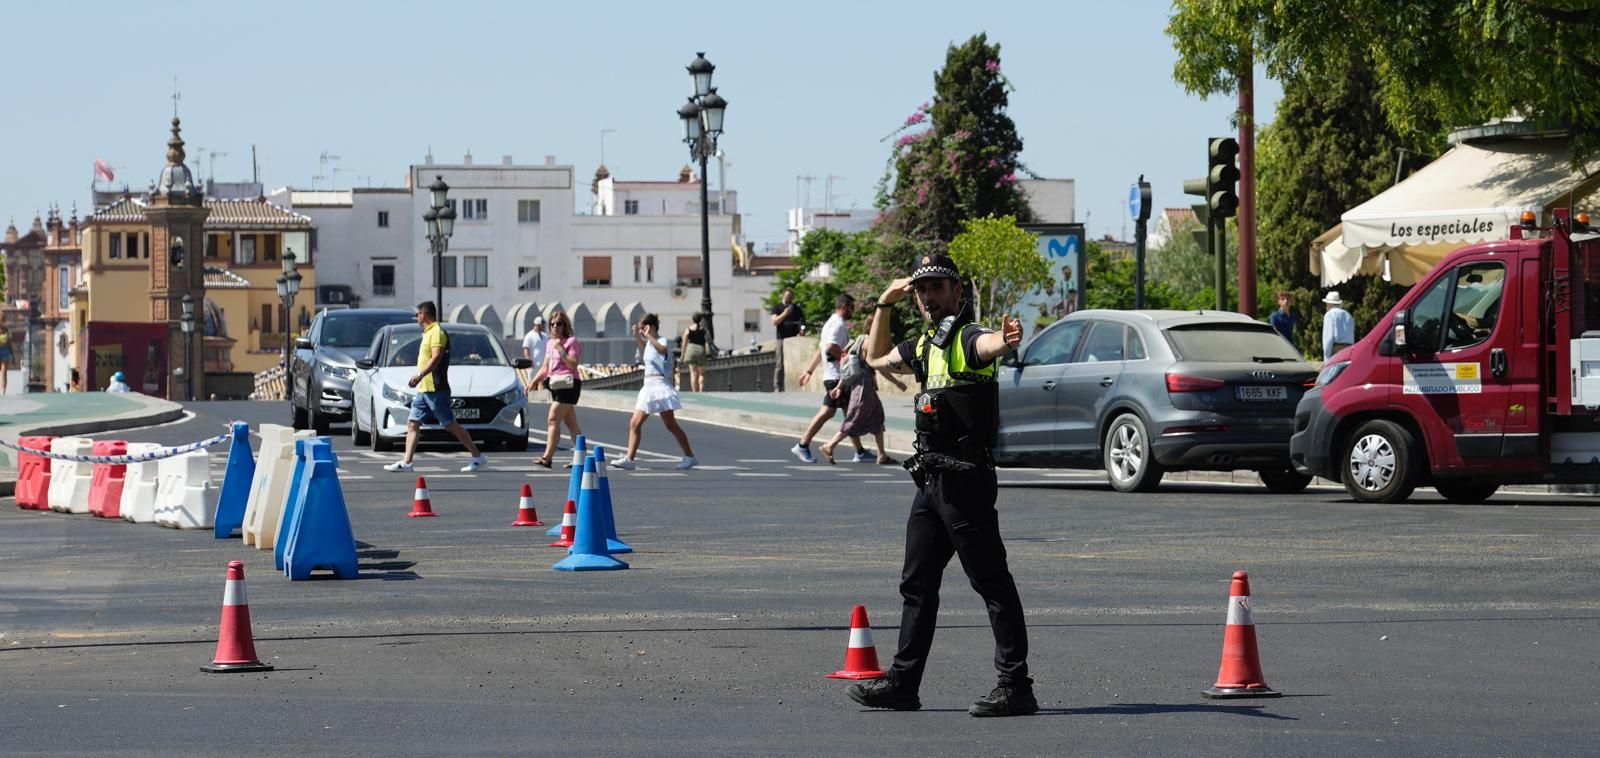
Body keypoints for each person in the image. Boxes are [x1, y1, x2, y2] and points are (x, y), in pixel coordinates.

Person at [848, 252, 1036, 717]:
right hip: (930, 480)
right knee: (916, 584)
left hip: (966, 481)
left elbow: (989, 345)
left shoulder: (967, 338)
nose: (929, 296)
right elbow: (873, 358)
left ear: (957, 292)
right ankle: (903, 683)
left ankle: (1016, 686)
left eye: (937, 287)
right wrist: (885, 304)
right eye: (921, 289)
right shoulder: (925, 344)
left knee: (991, 582)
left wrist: (1005, 341)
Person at [383, 301, 488, 474]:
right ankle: (407, 462)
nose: (417, 317)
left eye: (418, 314)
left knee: (450, 425)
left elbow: (436, 357)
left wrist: (420, 375)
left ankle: (477, 456)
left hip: (436, 389)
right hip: (424, 390)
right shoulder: (428, 333)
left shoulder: (437, 333)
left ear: (424, 314)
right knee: (412, 423)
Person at [818, 310, 907, 465]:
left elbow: (848, 366)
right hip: (864, 387)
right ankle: (829, 445)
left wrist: (840, 386)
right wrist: (897, 382)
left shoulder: (858, 340)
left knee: (877, 417)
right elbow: (879, 366)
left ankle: (881, 455)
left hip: (862, 386)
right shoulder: (868, 343)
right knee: (855, 417)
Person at [613, 314, 698, 471]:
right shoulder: (650, 344)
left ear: (652, 327)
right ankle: (630, 459)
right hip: (648, 386)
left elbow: (663, 350)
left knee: (671, 425)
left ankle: (690, 456)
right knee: (635, 423)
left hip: (659, 385)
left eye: (645, 327)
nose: (643, 330)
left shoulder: (661, 340)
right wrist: (638, 336)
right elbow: (646, 350)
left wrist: (648, 336)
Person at [790, 293, 855, 463]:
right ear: (844, 306)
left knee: (848, 413)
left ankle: (860, 450)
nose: (853, 312)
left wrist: (809, 371)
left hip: (831, 376)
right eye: (851, 308)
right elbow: (830, 347)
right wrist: (845, 357)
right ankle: (803, 444)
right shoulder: (838, 324)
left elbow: (820, 350)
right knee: (844, 413)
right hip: (836, 377)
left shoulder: (829, 324)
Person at [527, 311, 584, 468]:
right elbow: (545, 367)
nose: (555, 327)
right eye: (552, 324)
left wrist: (562, 350)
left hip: (569, 384)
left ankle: (547, 457)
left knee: (553, 418)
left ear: (565, 325)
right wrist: (533, 381)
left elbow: (573, 364)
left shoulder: (571, 341)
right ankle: (581, 458)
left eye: (559, 323)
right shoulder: (550, 344)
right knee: (571, 423)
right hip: (556, 385)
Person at [771, 288, 805, 391]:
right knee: (780, 364)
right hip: (781, 338)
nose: (789, 299)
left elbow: (802, 322)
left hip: (794, 338)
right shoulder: (777, 308)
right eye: (787, 297)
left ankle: (795, 385)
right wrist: (785, 314)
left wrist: (802, 330)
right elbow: (774, 321)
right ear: (783, 296)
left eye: (790, 297)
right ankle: (778, 386)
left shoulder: (797, 309)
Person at [1322, 291, 1355, 361]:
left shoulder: (1329, 315)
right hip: (1349, 351)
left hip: (1336, 351)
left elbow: (1328, 339)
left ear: (1329, 304)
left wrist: (1327, 359)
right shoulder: (1348, 315)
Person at [680, 312, 709, 392]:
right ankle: (701, 390)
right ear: (700, 319)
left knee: (693, 373)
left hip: (691, 350)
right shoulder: (703, 329)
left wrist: (682, 355)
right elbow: (708, 340)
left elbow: (684, 343)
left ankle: (694, 392)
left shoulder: (688, 329)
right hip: (701, 350)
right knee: (701, 373)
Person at [0, 328, 11, 395]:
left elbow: (9, 344)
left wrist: (13, 356)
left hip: (5, 352)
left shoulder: (6, 330)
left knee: (4, 373)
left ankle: (3, 391)